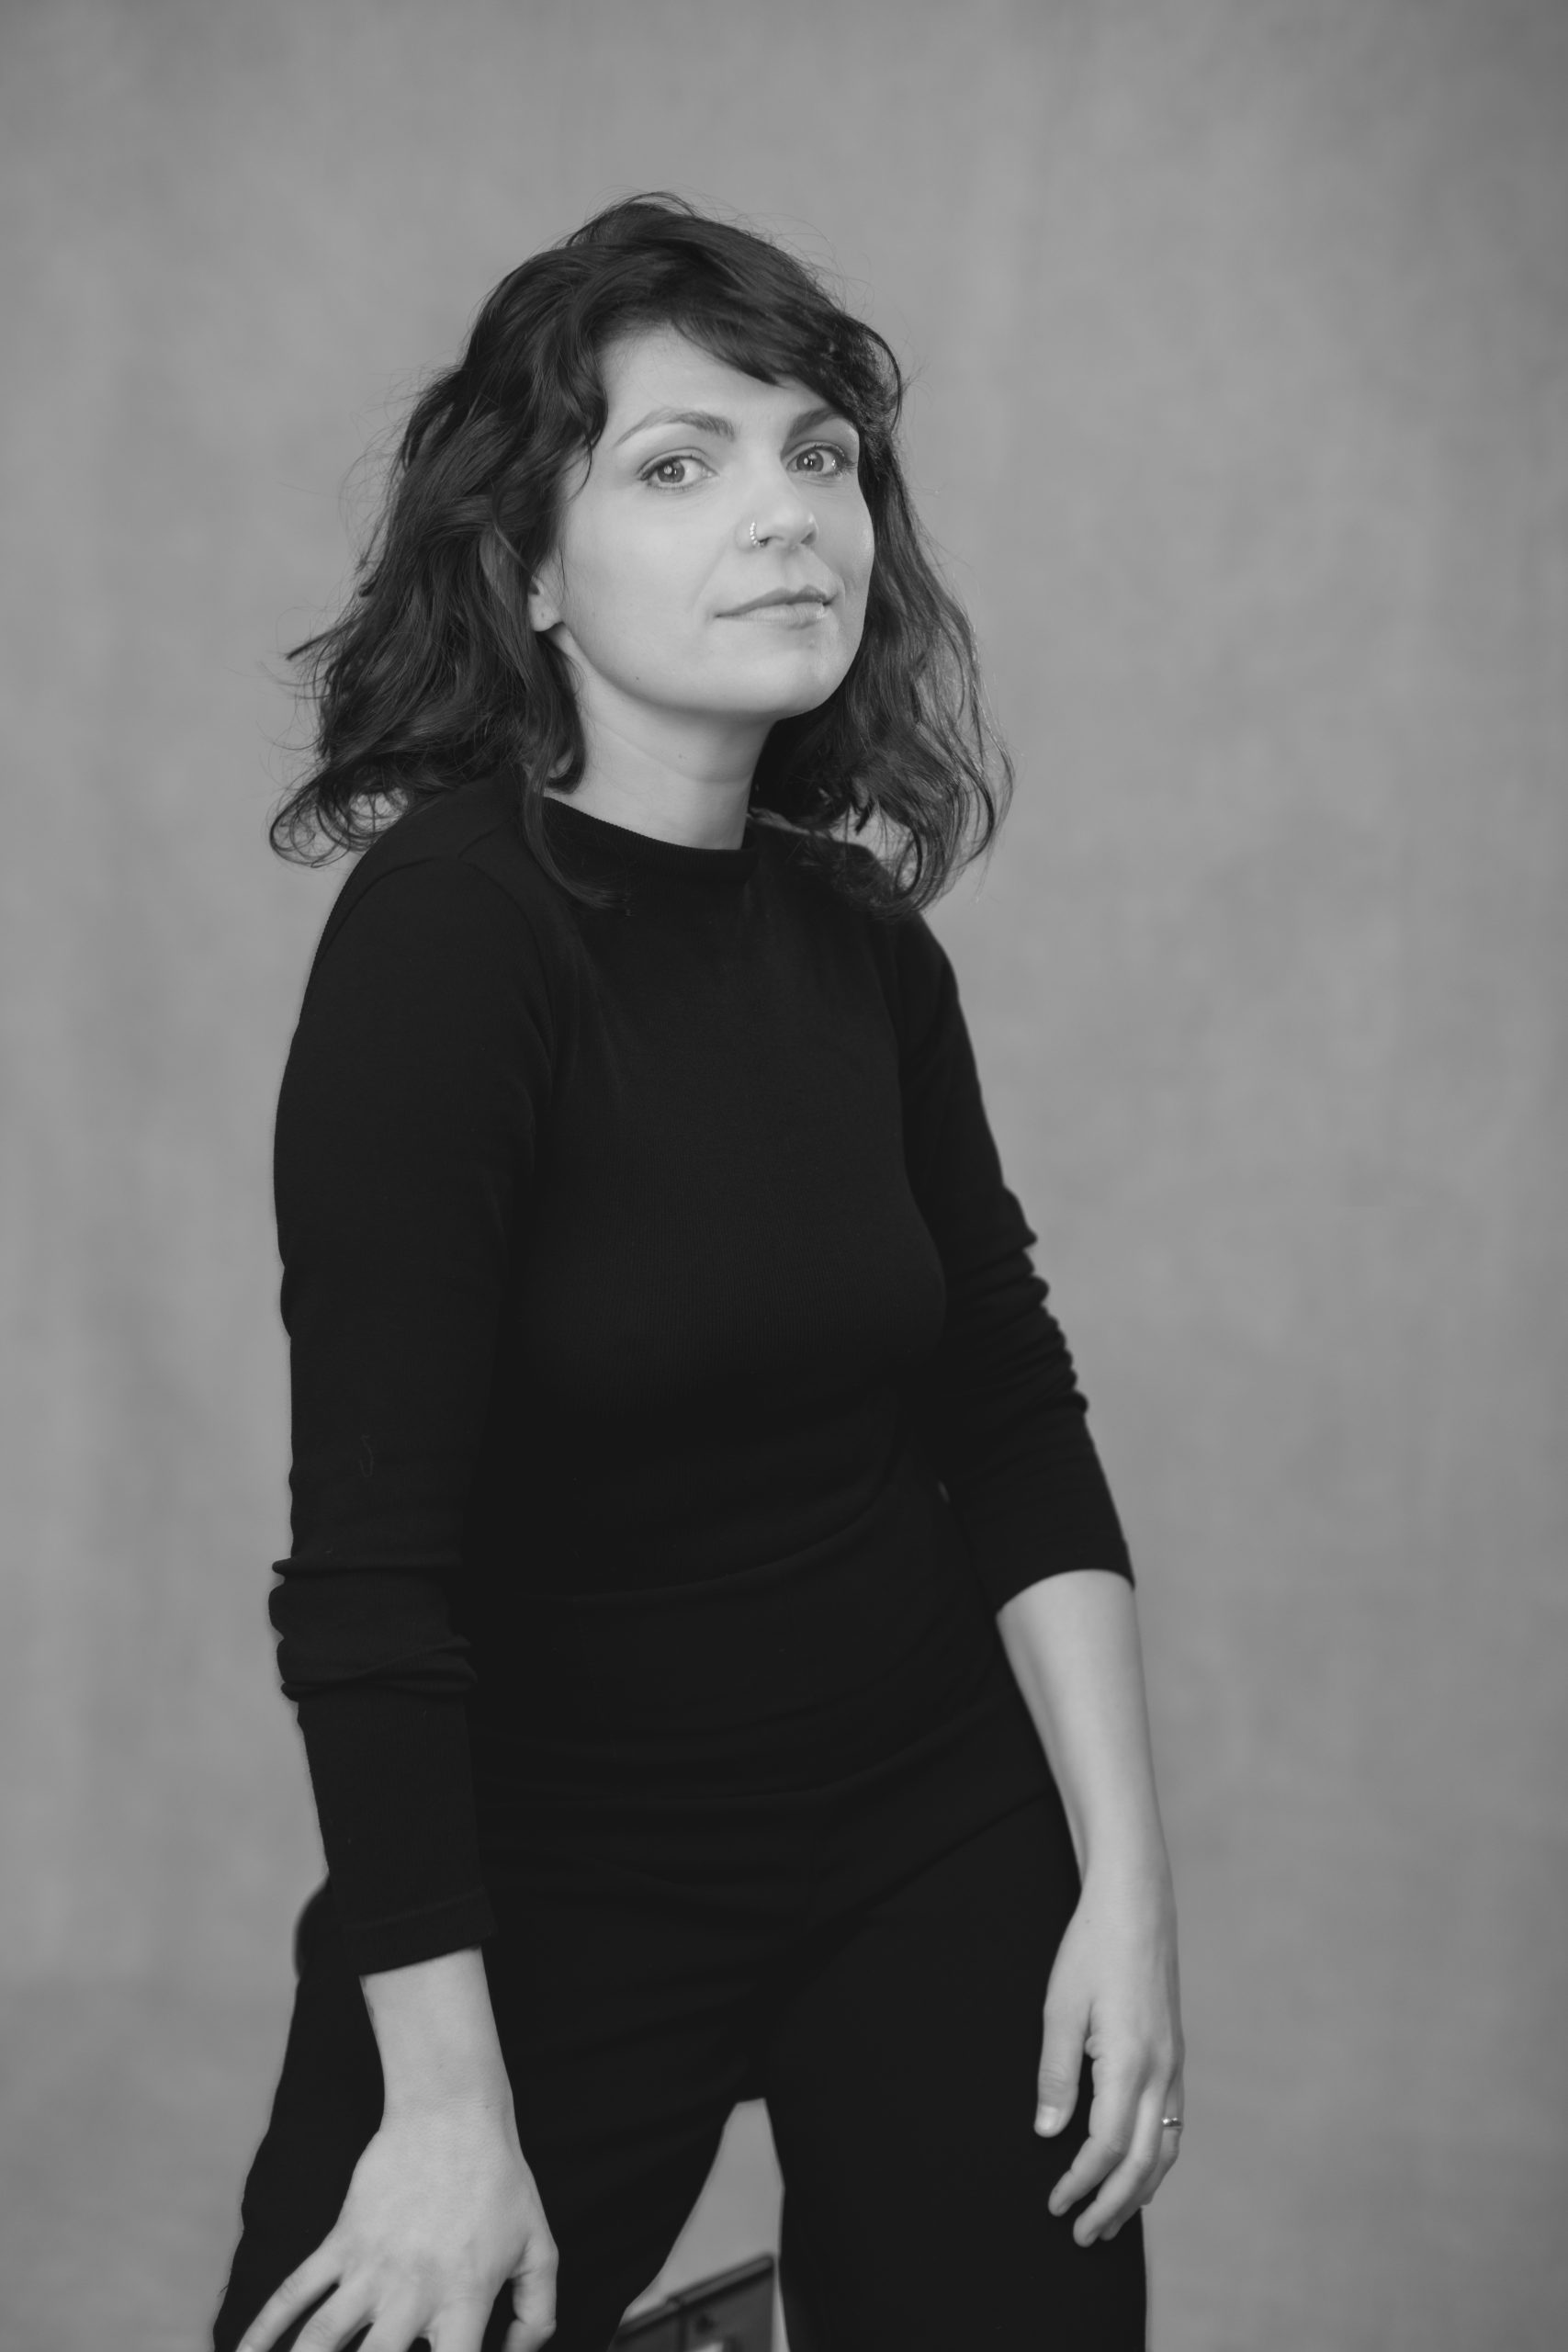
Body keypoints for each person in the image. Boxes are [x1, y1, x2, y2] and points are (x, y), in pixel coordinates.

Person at [212, 194, 1185, 2352]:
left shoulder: (861, 944)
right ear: (528, 571)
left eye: (817, 454)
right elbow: (366, 1574)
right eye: (679, 462)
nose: (784, 514)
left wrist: (1125, 1889)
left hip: (923, 1823)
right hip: (553, 1865)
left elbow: (1007, 1407)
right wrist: (440, 2107)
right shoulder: (450, 944)